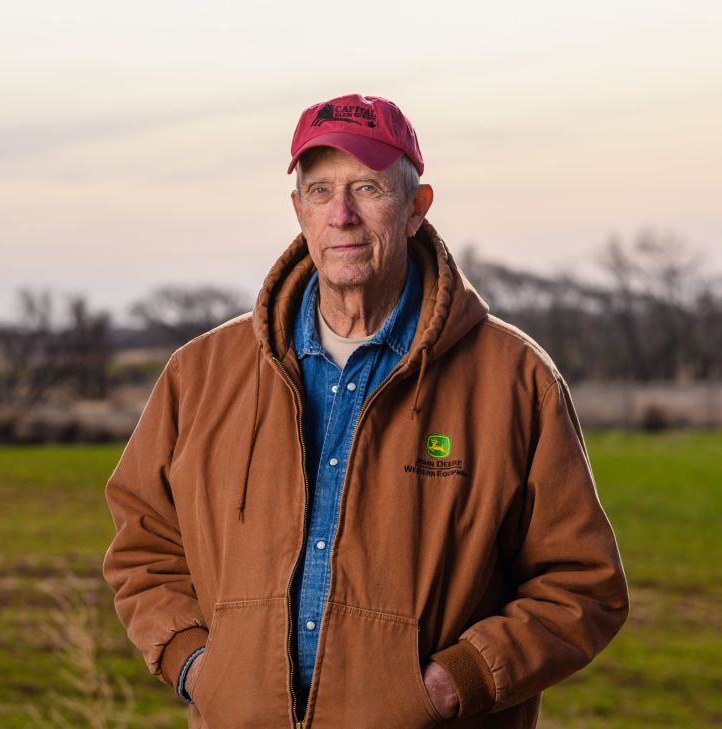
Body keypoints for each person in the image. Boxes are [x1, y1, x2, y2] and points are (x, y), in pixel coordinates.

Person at [101, 92, 629, 729]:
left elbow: (581, 584)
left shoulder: (516, 380)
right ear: (298, 211)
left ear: (415, 208)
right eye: (320, 191)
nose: (341, 216)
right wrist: (196, 665)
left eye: (368, 187)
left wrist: (451, 685)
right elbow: (143, 547)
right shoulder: (201, 375)